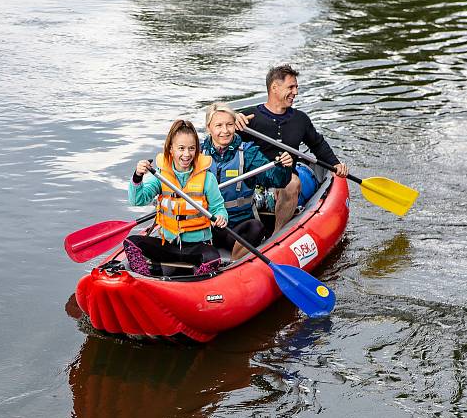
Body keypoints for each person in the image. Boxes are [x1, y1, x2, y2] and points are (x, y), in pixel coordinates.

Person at [237, 64, 348, 232]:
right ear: (274, 87)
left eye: (296, 87)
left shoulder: (300, 119)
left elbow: (317, 144)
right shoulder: (248, 118)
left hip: (285, 178)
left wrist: (335, 164)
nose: (295, 92)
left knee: (292, 183)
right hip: (254, 179)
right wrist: (233, 118)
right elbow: (221, 134)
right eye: (291, 87)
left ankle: (277, 235)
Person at [124, 120, 228, 276]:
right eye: (181, 148)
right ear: (171, 149)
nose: (187, 154)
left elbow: (219, 208)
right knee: (131, 242)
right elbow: (137, 200)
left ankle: (197, 284)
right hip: (168, 245)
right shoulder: (160, 175)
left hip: (197, 247)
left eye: (191, 148)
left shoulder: (207, 178)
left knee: (212, 258)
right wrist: (138, 176)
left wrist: (221, 217)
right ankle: (147, 279)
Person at [202, 102, 293, 260]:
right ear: (209, 128)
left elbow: (276, 180)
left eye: (229, 124)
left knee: (256, 228)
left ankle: (234, 265)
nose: (225, 131)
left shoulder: (248, 152)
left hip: (238, 228)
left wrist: (283, 167)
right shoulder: (197, 152)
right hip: (207, 226)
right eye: (219, 125)